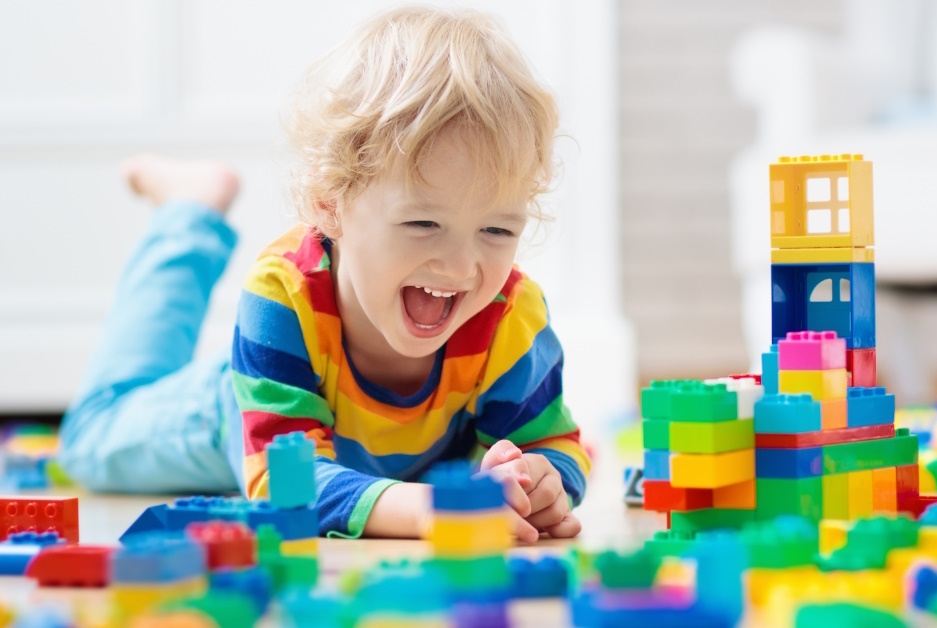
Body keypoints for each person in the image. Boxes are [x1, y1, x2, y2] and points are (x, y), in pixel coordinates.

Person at [57, 6, 589, 542]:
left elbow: (556, 445)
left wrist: (543, 483)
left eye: (497, 231)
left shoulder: (510, 316)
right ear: (329, 203)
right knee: (92, 436)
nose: (460, 267)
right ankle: (188, 216)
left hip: (356, 455)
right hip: (234, 409)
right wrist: (433, 510)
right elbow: (284, 482)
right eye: (423, 222)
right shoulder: (282, 295)